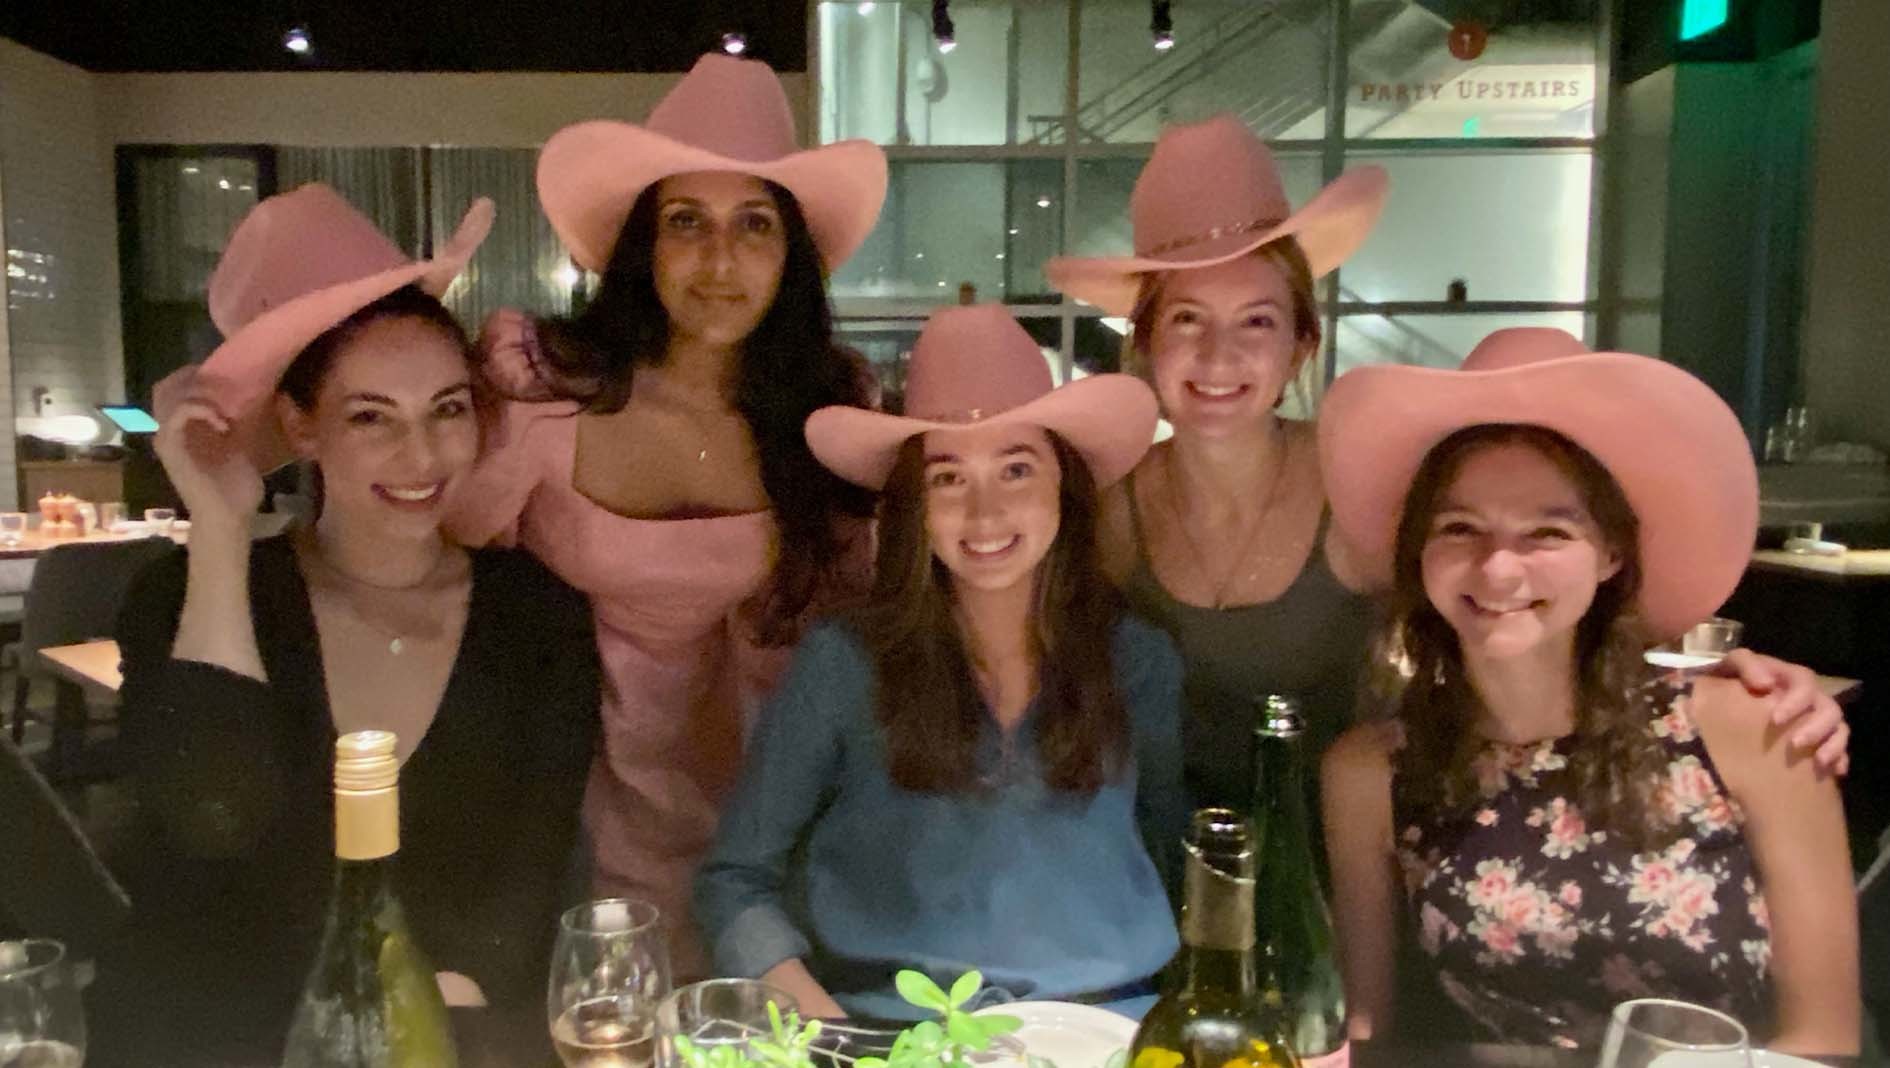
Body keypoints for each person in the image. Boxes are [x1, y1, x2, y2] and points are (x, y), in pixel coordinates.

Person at [1045, 115, 1851, 813]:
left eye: (1256, 321)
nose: (1219, 354)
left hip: (1361, 847)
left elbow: (1540, 607)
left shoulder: (1359, 488)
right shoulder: (1110, 512)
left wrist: (1736, 685)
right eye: (1188, 317)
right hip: (1162, 859)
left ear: (1300, 346)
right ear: (1144, 341)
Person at [97, 185, 601, 1064]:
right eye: (372, 417)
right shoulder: (187, 596)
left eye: (447, 408)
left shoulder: (537, 616)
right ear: (301, 423)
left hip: (439, 1039)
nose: (422, 456)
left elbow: (522, 895)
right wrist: (219, 533)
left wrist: (405, 1034)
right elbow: (211, 816)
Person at [445, 53, 889, 977]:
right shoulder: (542, 389)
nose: (720, 260)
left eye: (754, 224)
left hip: (794, 836)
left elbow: (876, 616)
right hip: (588, 828)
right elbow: (434, 571)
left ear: (791, 255)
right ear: (642, 244)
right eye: (686, 221)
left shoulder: (835, 407)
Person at [1318, 328, 1859, 1053]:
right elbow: (1370, 1032)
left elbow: (1823, 1036)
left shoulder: (1753, 732)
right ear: (1421, 553)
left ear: (1610, 553)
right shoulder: (1370, 772)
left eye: (1546, 532)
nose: (1498, 569)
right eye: (1459, 527)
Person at [695, 305, 1184, 1020]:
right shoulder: (842, 663)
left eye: (1016, 469)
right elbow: (734, 878)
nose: (984, 514)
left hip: (1112, 1026)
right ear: (913, 507)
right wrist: (827, 1030)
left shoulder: (1139, 659)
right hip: (891, 1029)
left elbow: (1176, 855)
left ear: (1065, 487)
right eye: (948, 478)